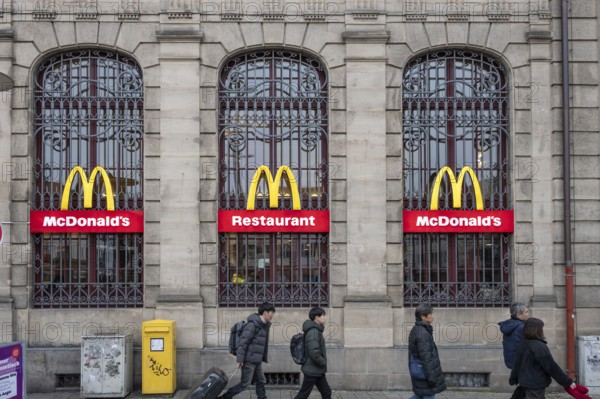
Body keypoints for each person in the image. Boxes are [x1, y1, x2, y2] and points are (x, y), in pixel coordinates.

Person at [218, 302, 275, 399]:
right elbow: (243, 343)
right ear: (265, 312)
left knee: (261, 380)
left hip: (256, 360)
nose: (272, 315)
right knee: (245, 384)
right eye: (271, 313)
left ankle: (262, 397)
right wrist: (240, 360)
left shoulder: (263, 325)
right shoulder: (253, 325)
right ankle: (225, 397)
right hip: (249, 360)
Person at [509, 318, 576, 399]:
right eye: (541, 328)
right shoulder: (539, 346)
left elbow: (516, 363)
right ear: (537, 330)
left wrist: (513, 378)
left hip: (525, 384)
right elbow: (551, 367)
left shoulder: (523, 344)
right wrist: (567, 382)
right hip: (535, 386)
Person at [408, 304, 446, 399]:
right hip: (425, 375)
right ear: (423, 317)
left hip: (421, 372)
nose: (432, 316)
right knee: (427, 395)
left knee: (419, 396)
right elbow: (426, 358)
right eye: (430, 314)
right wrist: (431, 378)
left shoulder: (418, 329)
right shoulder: (422, 334)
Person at [293, 307, 332, 399]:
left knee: (326, 392)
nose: (325, 318)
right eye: (323, 315)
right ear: (316, 317)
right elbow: (314, 351)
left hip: (316, 369)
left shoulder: (315, 330)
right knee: (303, 395)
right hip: (313, 370)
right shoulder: (314, 331)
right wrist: (322, 362)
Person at [499, 302, 530, 369]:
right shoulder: (521, 327)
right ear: (518, 314)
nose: (528, 314)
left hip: (513, 363)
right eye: (526, 312)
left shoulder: (509, 324)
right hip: (522, 365)